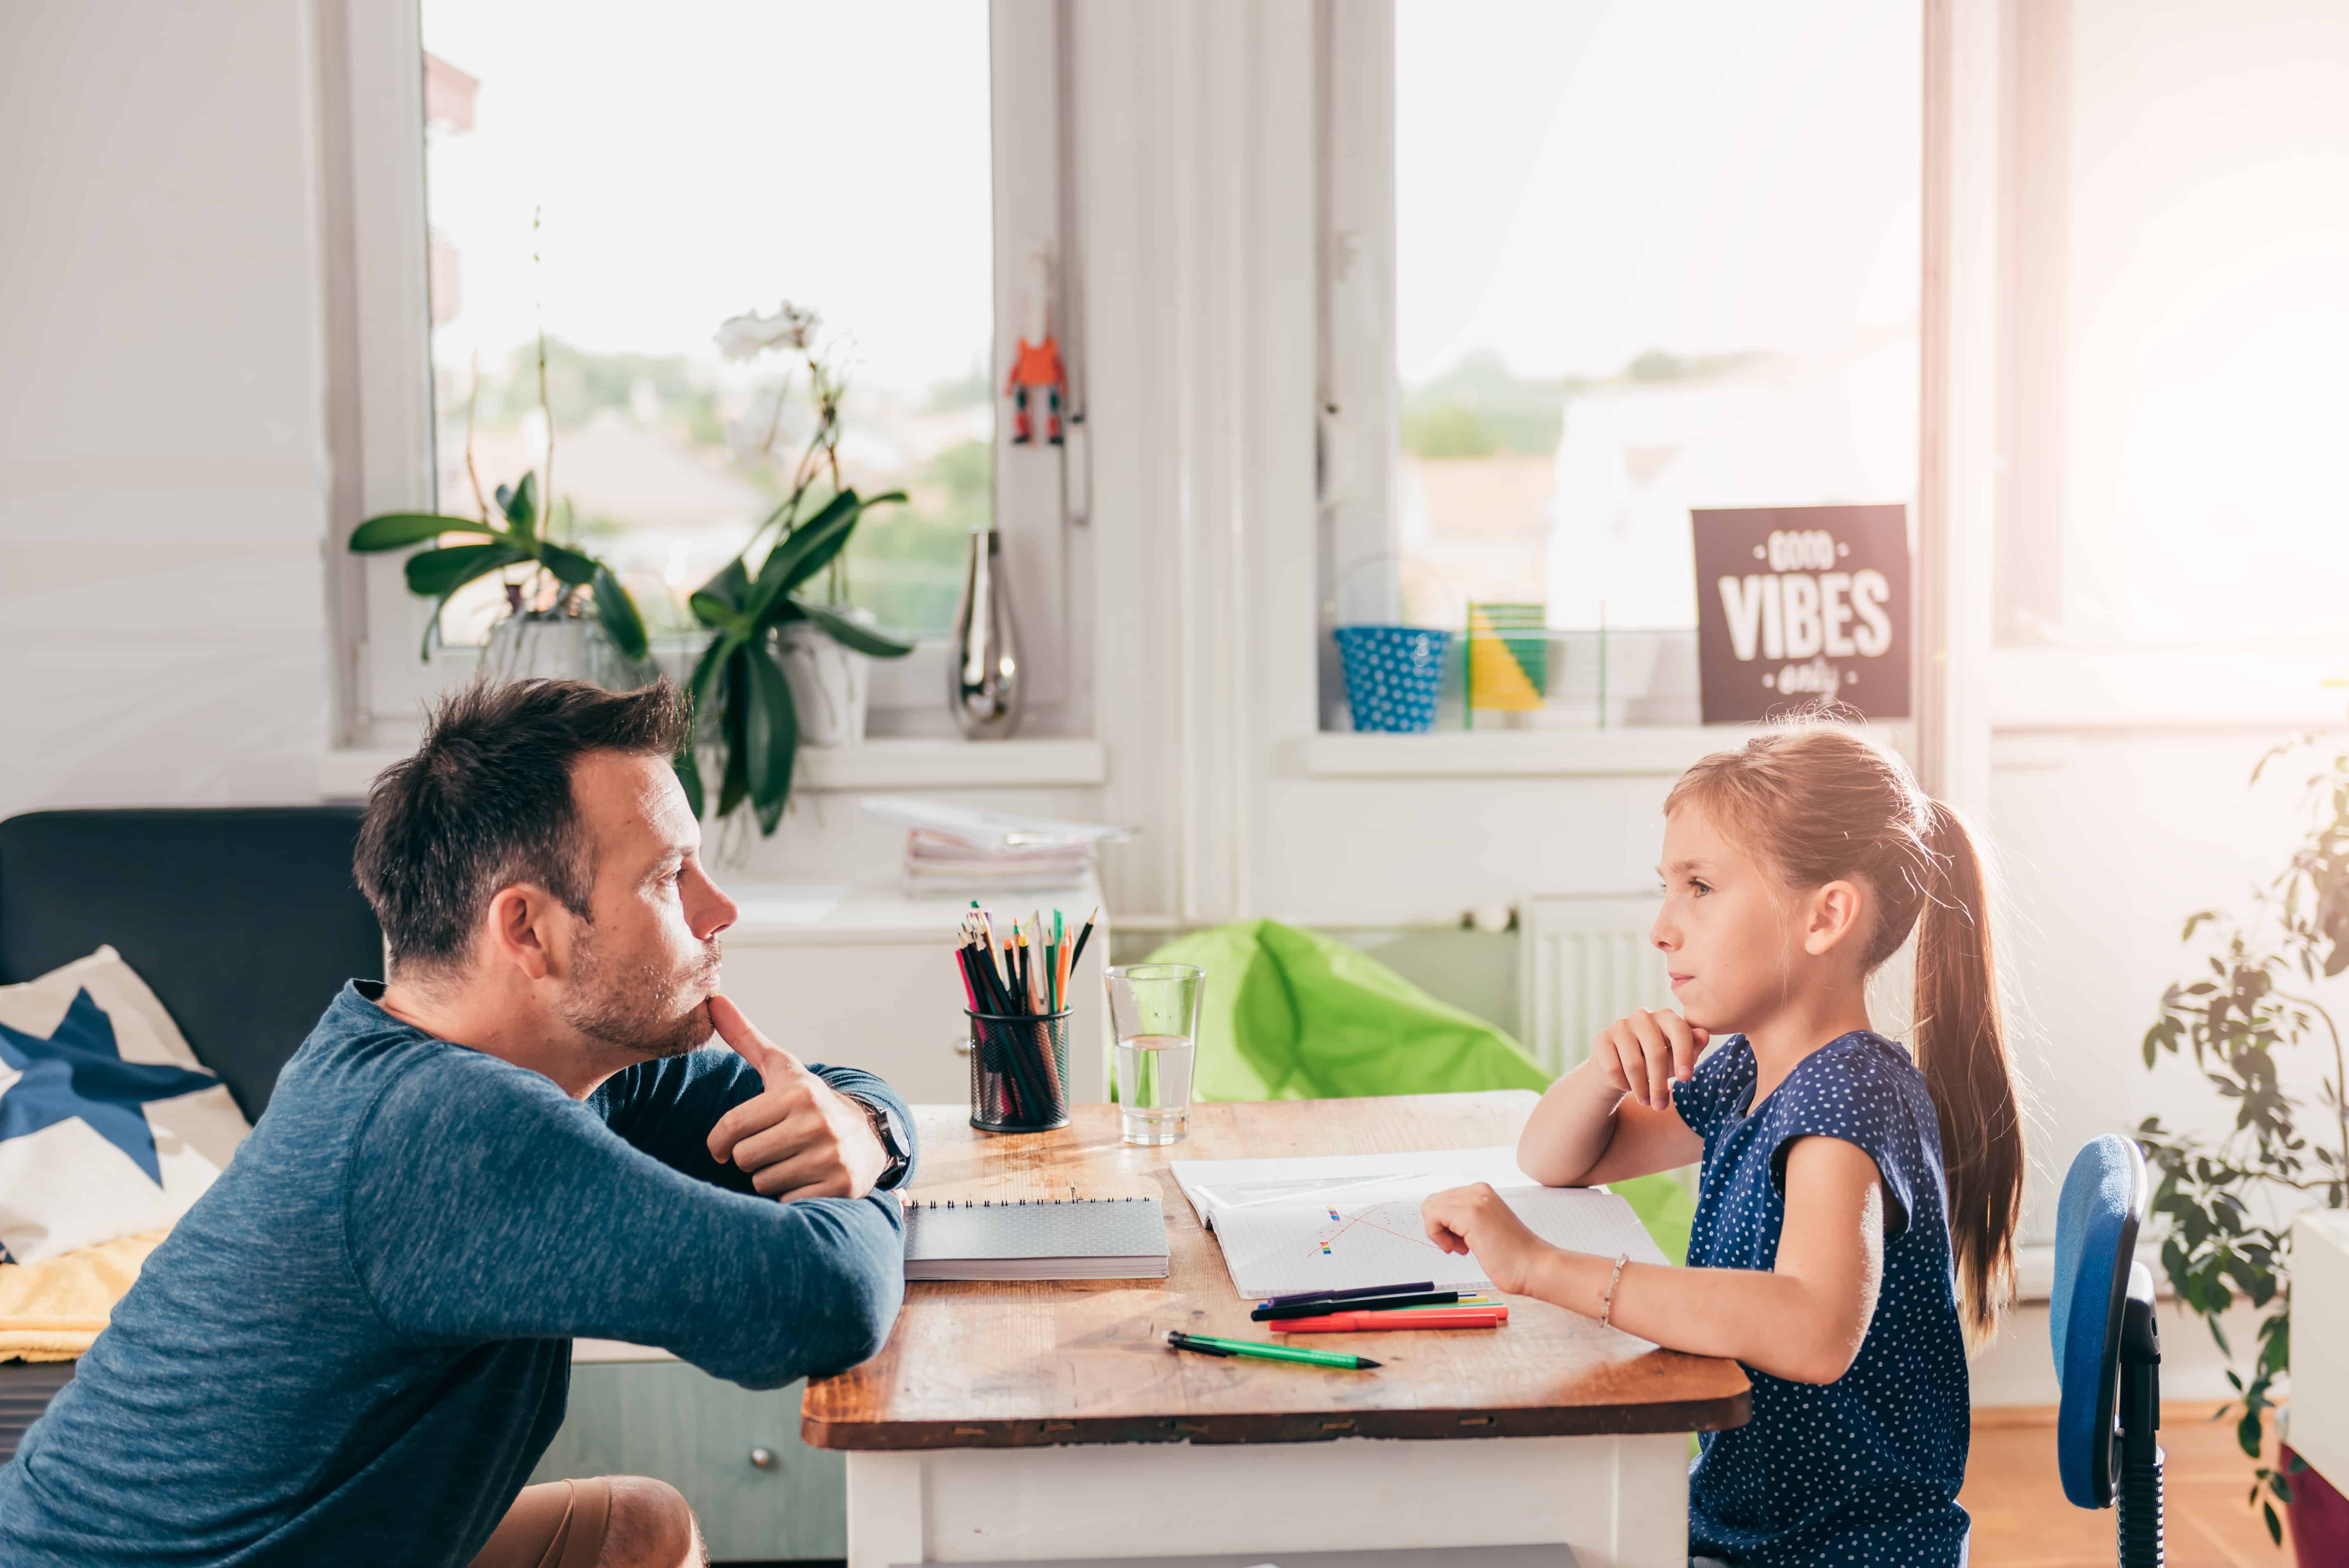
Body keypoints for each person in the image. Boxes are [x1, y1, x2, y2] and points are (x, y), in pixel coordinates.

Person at [0, 678, 918, 1568]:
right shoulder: (445, 1127)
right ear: (527, 930)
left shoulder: (526, 1062)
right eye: (671, 878)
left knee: (634, 1531)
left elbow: (816, 1093)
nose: (719, 911)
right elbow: (819, 1303)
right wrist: (870, 1175)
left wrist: (864, 1124)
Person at [1423, 718, 2021, 1567]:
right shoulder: (1748, 1068)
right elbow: (1558, 1160)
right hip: (1751, 1530)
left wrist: (1543, 1270)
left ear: (1825, 917)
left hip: (1839, 1555)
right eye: (1666, 888)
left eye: (1699, 887)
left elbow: (1814, 1328)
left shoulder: (1848, 1095)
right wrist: (1602, 1072)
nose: (1661, 928)